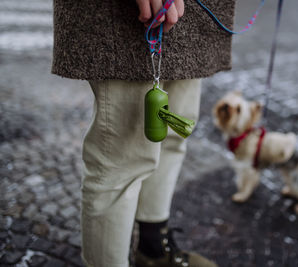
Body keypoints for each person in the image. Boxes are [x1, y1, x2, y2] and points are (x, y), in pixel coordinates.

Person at [52, 0, 235, 266]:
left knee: (172, 137)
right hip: (129, 15)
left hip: (197, 16)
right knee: (121, 158)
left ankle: (153, 250)